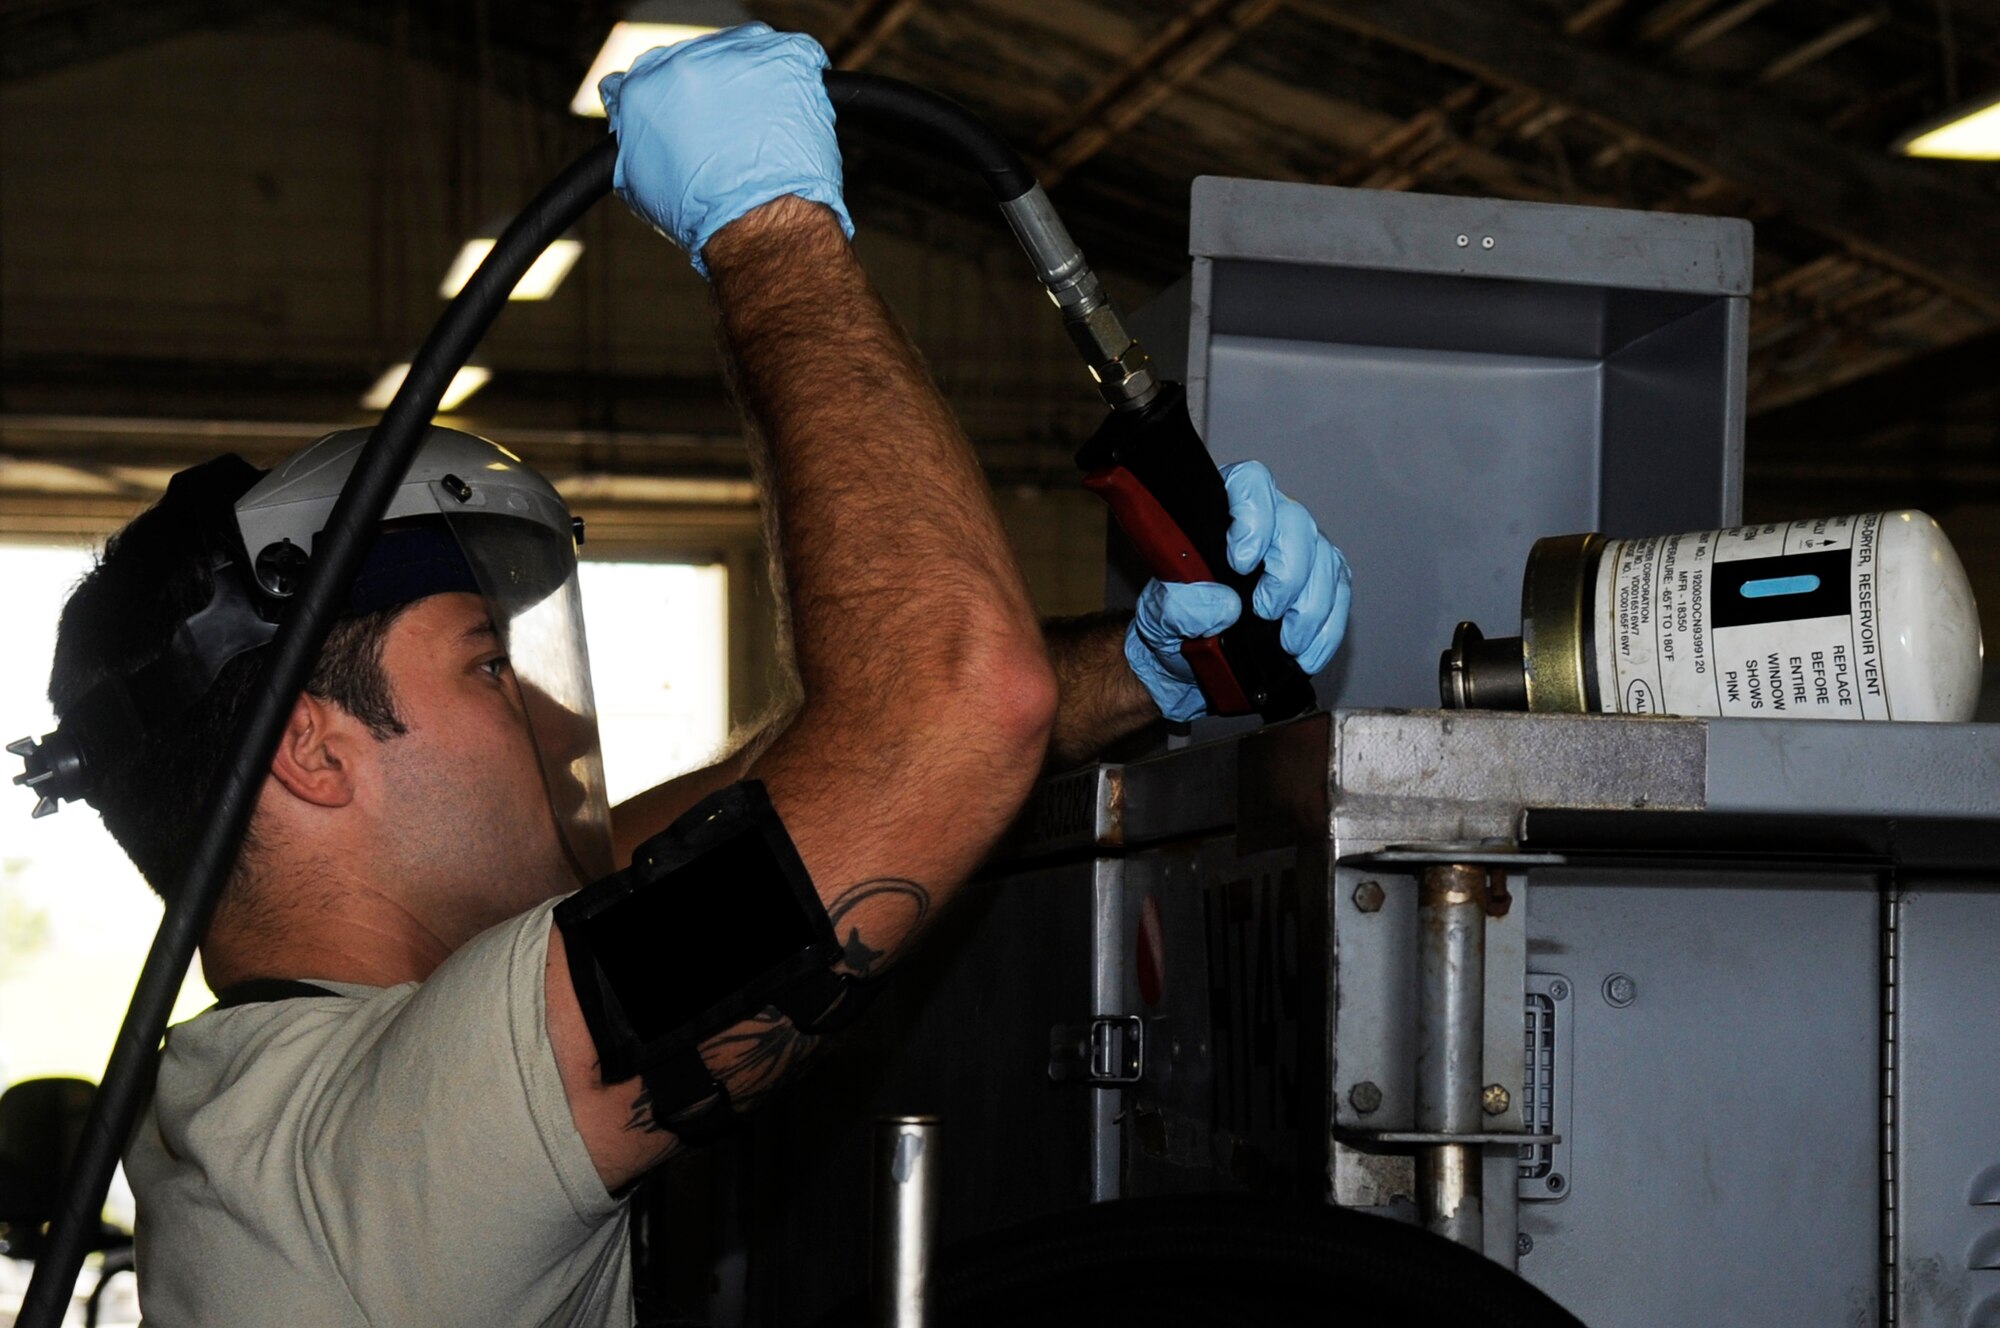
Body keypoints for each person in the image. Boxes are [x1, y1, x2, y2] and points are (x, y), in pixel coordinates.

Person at [32, 24, 1352, 1327]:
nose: (549, 712)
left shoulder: (265, 1092)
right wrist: (769, 233)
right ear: (311, 753)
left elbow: (727, 850)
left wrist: (1134, 670)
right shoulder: (391, 1135)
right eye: (490, 667)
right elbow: (940, 722)